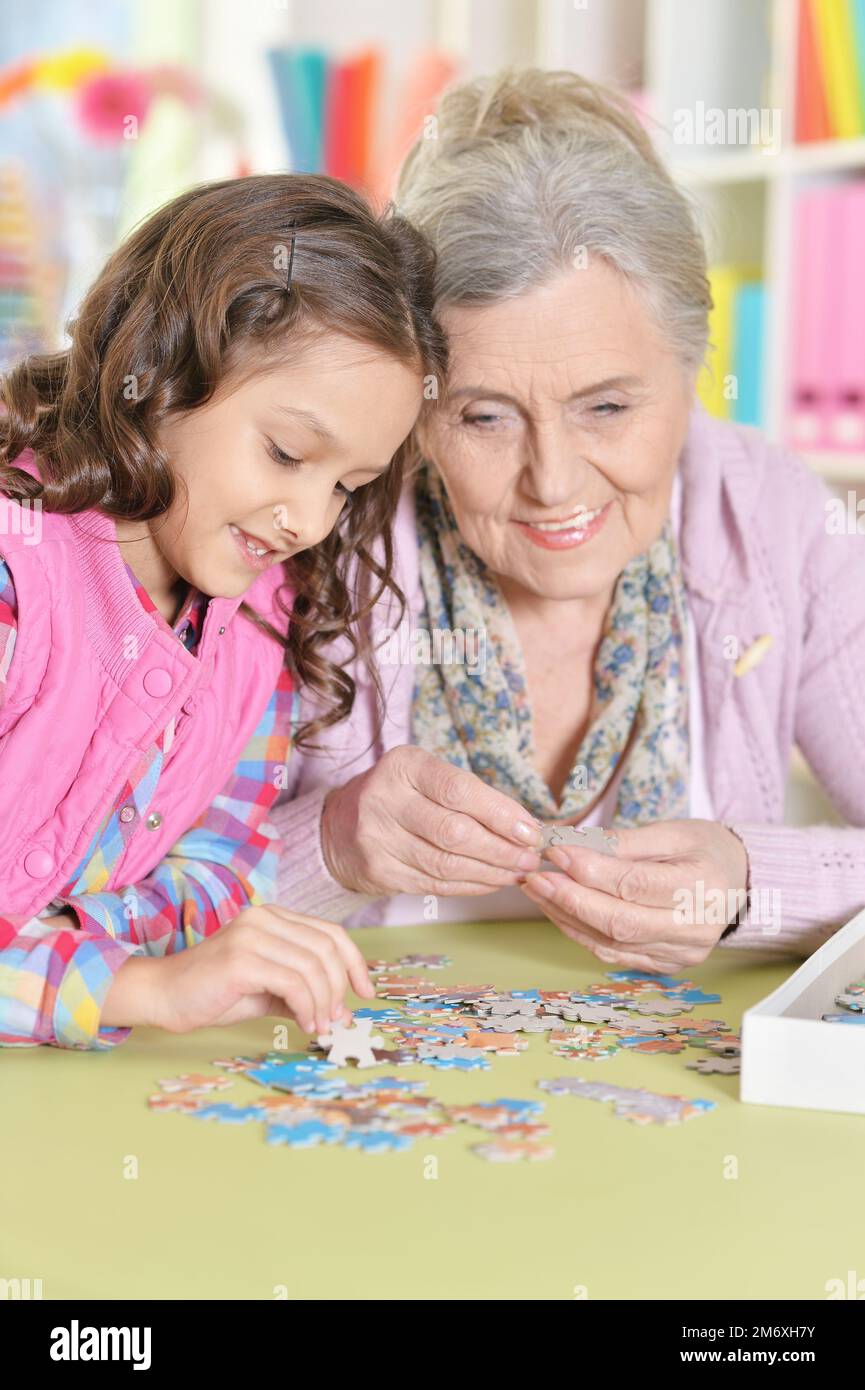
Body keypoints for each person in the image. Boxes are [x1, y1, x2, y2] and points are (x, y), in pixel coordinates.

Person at [272, 70, 865, 973]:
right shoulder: (307, 532)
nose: (551, 483)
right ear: (417, 404)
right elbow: (121, 899)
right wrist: (331, 847)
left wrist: (752, 884)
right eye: (483, 417)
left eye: (606, 409)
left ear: (692, 372)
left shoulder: (775, 517)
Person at [0, 173, 447, 1048]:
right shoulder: (18, 576)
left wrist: (68, 949)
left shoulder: (261, 618)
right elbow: (164, 956)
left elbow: (220, 867)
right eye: (285, 453)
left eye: (346, 487)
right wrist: (139, 985)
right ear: (156, 371)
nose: (311, 521)